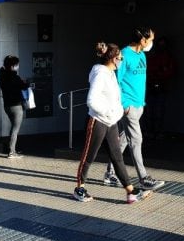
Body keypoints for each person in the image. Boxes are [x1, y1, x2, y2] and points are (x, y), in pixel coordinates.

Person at [74, 42, 151, 204]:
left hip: (111, 123)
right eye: (120, 58)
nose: (122, 61)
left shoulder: (110, 73)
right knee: (89, 156)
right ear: (113, 58)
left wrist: (115, 115)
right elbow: (91, 100)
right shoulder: (100, 74)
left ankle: (130, 191)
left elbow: (113, 99)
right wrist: (108, 113)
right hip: (97, 121)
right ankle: (79, 188)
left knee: (117, 157)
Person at [102, 27, 165, 191]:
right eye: (150, 40)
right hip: (128, 107)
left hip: (138, 105)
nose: (151, 43)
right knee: (136, 140)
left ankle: (110, 173)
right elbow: (116, 80)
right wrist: (125, 105)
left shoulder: (142, 55)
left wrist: (139, 104)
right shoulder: (123, 55)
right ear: (143, 41)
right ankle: (143, 178)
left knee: (122, 140)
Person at [145, 36, 176, 138]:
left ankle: (158, 132)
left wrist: (159, 75)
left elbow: (169, 72)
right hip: (151, 87)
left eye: (163, 45)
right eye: (159, 45)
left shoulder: (169, 58)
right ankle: (150, 131)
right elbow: (148, 71)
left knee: (159, 111)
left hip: (162, 87)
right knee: (149, 112)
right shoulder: (153, 57)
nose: (161, 47)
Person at [0, 55, 29, 159]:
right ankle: (11, 152)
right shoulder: (14, 77)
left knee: (13, 128)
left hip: (7, 105)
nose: (18, 66)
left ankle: (12, 149)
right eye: (17, 65)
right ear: (13, 65)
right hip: (16, 106)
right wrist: (27, 83)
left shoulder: (2, 75)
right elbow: (23, 86)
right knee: (15, 129)